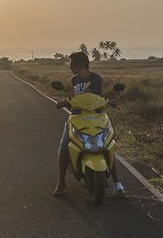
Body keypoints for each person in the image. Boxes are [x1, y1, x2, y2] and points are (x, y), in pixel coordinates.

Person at [52, 51, 125, 197]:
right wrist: (67, 101)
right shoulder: (74, 80)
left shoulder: (96, 78)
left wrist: (105, 100)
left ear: (81, 65)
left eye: (72, 64)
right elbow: (74, 98)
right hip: (77, 117)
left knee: (109, 145)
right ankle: (61, 184)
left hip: (96, 116)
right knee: (64, 146)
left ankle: (118, 185)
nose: (70, 67)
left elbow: (92, 94)